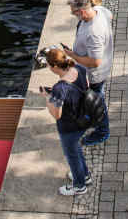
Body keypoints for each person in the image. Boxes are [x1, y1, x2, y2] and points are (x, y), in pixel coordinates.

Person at [41, 47, 92, 196]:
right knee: (76, 150)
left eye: (49, 65)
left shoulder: (60, 88)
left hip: (70, 127)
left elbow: (56, 114)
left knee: (72, 155)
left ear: (55, 67)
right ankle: (85, 175)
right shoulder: (80, 68)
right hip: (85, 117)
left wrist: (47, 97)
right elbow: (86, 87)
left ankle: (79, 186)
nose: (49, 68)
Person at [63, 0, 113, 145]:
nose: (73, 15)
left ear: (82, 12)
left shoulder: (94, 33)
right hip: (97, 68)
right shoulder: (99, 10)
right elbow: (110, 16)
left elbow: (95, 62)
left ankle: (102, 132)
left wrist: (73, 55)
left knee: (96, 102)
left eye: (74, 13)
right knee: (92, 100)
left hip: (94, 75)